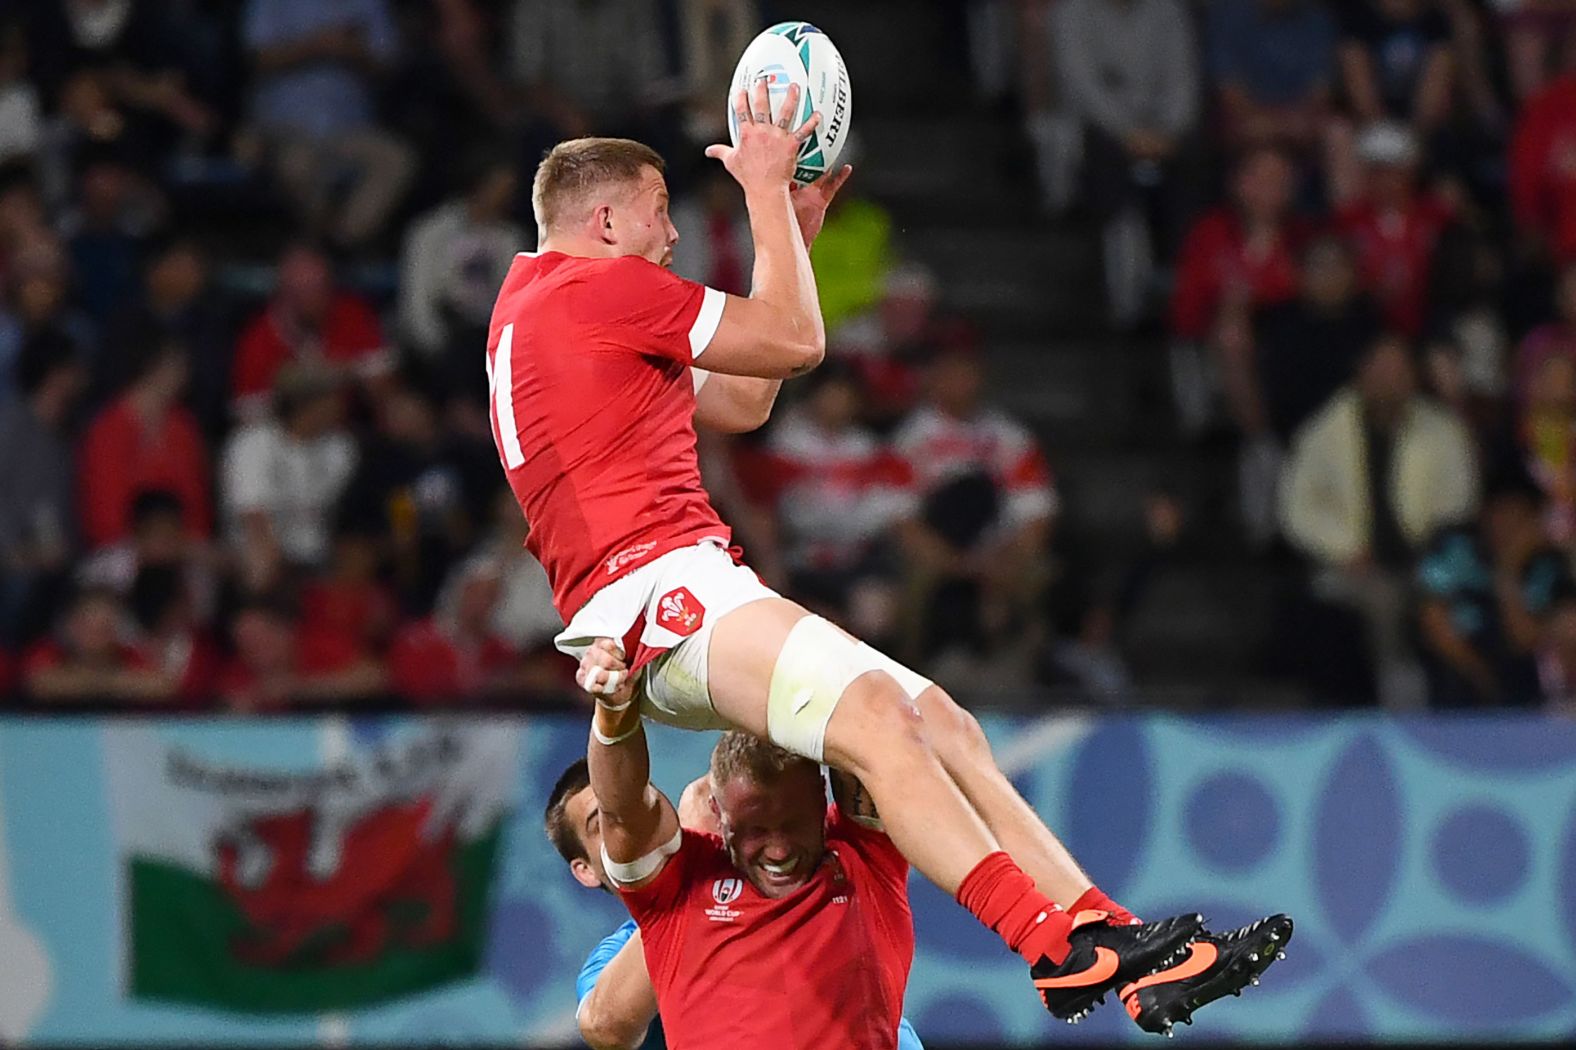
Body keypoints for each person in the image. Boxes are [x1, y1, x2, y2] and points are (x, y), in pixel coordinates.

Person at [486, 80, 1289, 1033]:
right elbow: (794, 339)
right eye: (662, 219)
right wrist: (763, 198)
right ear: (607, 217)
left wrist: (798, 237)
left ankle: (1106, 935)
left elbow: (744, 398)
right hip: (662, 597)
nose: (671, 241)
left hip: (671, 592)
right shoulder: (599, 289)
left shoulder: (548, 312)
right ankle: (1052, 947)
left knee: (938, 722)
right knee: (876, 719)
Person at [545, 750, 925, 1050]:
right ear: (585, 870)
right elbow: (606, 1027)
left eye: (635, 810)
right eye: (605, 822)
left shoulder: (809, 860)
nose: (628, 827)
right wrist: (682, 890)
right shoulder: (609, 963)